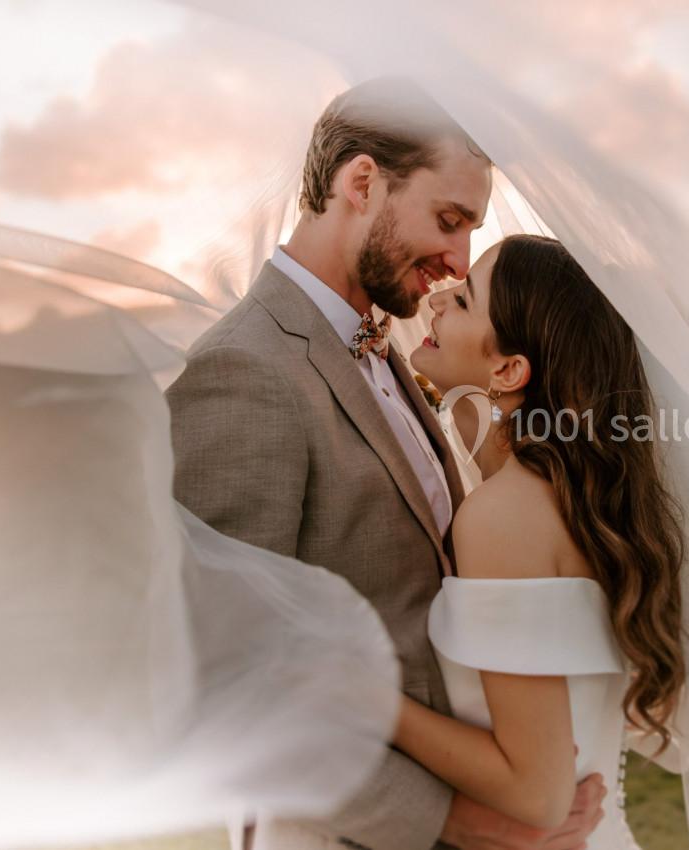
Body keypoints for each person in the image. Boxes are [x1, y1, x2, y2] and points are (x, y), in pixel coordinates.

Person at [165, 81, 604, 850]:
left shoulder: (387, 351)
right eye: (449, 221)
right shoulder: (244, 371)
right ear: (362, 183)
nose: (458, 260)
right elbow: (222, 676)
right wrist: (460, 821)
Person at [398, 234, 687, 849]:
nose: (438, 300)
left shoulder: (505, 516)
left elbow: (537, 793)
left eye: (464, 300)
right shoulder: (577, 502)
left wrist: (366, 700)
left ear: (508, 370)